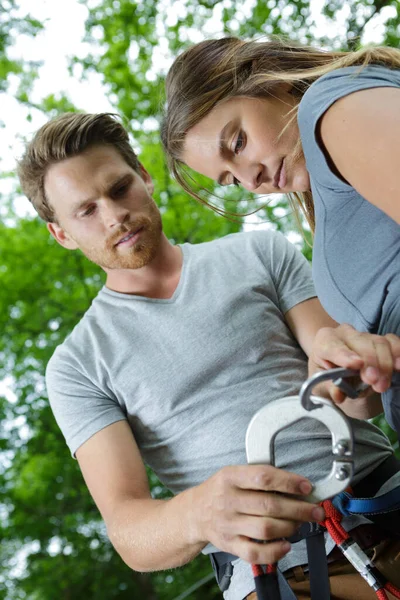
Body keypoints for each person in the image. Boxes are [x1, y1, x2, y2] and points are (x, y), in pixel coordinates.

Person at [17, 112, 400, 600]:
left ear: (145, 177)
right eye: (85, 211)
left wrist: (355, 372)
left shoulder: (259, 253)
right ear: (62, 234)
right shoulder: (77, 366)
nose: (114, 215)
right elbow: (130, 532)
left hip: (383, 498)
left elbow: (349, 394)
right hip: (277, 573)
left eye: (118, 189)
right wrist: (199, 512)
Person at [161, 36, 400, 437]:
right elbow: (370, 402)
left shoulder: (327, 107)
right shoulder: (328, 199)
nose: (249, 180)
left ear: (272, 81)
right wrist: (343, 369)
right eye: (230, 180)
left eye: (237, 142)